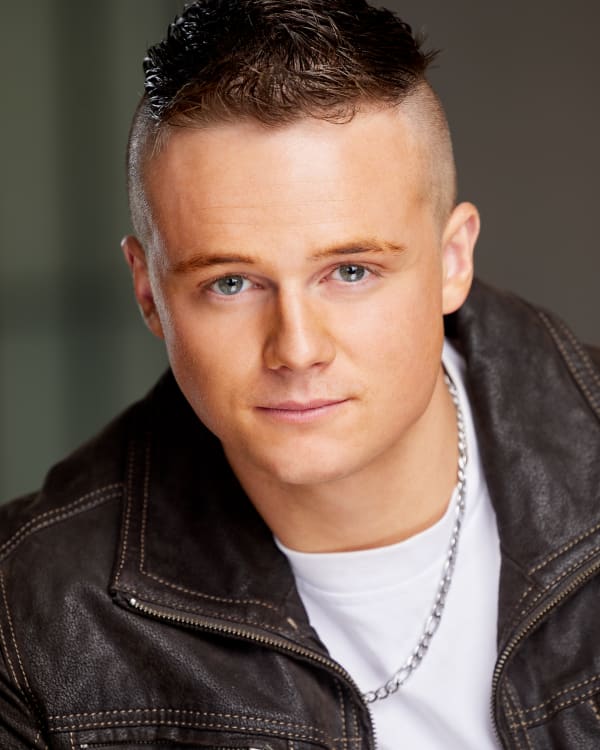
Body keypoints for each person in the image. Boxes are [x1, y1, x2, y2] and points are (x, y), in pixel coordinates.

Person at [1, 1, 599, 748]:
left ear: (453, 262)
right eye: (230, 283)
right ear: (149, 293)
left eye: (351, 271)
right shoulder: (30, 618)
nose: (297, 348)